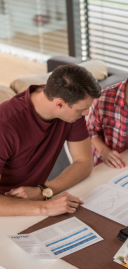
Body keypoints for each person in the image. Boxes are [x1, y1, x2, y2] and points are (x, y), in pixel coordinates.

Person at [0, 64, 101, 217]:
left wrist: (44, 191)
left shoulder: (69, 103)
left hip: (35, 203)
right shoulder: (5, 125)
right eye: (82, 109)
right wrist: (45, 207)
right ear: (59, 104)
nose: (86, 114)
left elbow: (84, 162)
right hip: (7, 208)